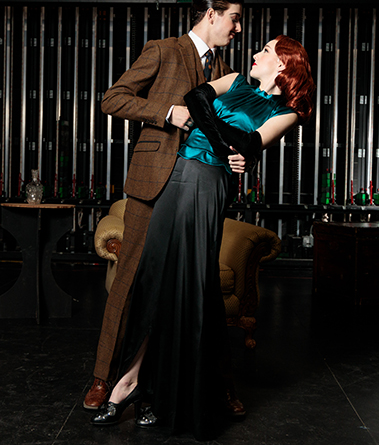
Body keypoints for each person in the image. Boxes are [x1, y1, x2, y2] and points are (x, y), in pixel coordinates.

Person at [90, 34, 315, 440]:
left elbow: (249, 142)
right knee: (154, 277)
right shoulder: (233, 79)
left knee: (189, 286)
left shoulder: (288, 112)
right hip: (176, 174)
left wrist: (222, 137)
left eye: (266, 50)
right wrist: (223, 142)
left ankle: (164, 396)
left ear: (283, 63)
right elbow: (194, 99)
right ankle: (133, 381)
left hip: (210, 184)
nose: (255, 53)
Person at [83, 0, 246, 418]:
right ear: (211, 14)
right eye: (234, 18)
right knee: (130, 280)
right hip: (153, 182)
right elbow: (113, 99)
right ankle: (103, 378)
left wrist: (237, 155)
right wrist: (167, 113)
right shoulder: (163, 50)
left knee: (200, 290)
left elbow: (229, 130)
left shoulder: (228, 72)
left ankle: (216, 385)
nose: (238, 28)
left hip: (198, 191)